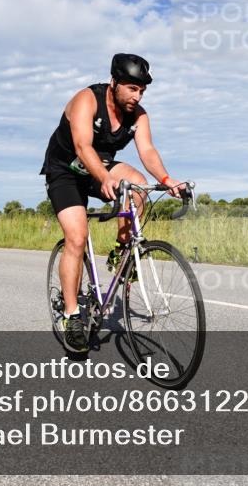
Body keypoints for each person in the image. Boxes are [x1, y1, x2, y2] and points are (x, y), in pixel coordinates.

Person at [41, 53, 183, 353]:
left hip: (100, 167)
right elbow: (82, 145)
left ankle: (121, 250)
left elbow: (147, 150)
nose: (137, 95)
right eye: (132, 88)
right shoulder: (86, 100)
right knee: (77, 238)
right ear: (114, 82)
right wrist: (104, 176)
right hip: (66, 170)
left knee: (138, 184)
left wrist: (168, 180)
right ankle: (71, 315)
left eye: (142, 90)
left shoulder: (138, 115)